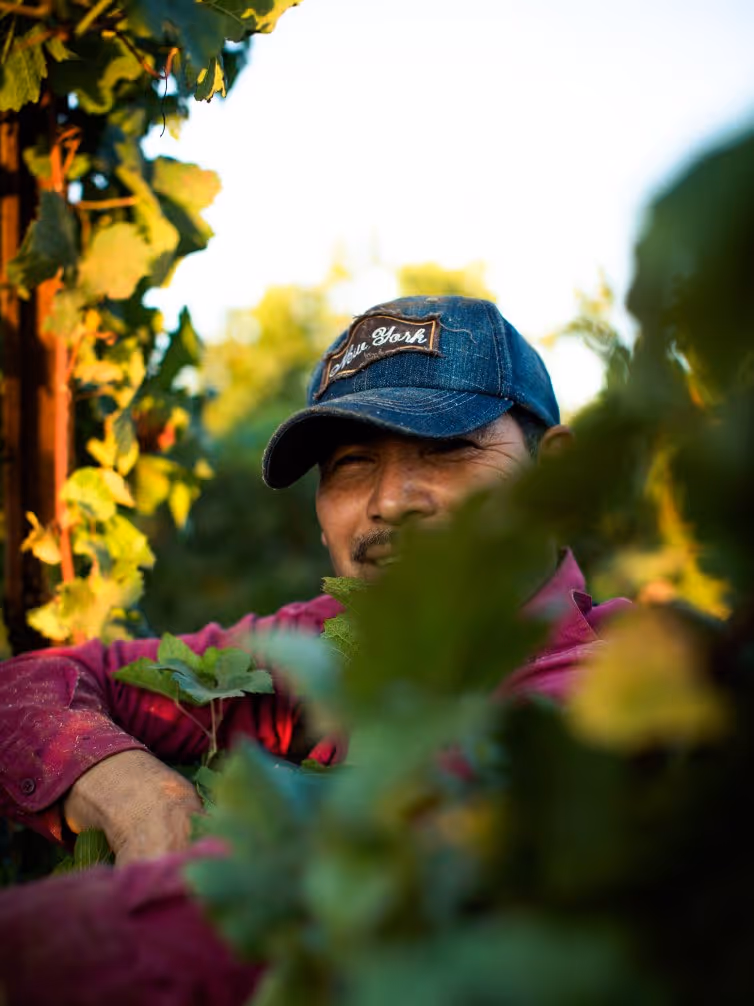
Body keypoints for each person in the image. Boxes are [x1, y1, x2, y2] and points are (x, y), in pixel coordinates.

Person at [0, 295, 629, 1005]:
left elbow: (341, 898)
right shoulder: (324, 649)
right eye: (353, 462)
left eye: (448, 446)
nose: (391, 499)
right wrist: (131, 786)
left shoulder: (606, 703)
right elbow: (31, 686)